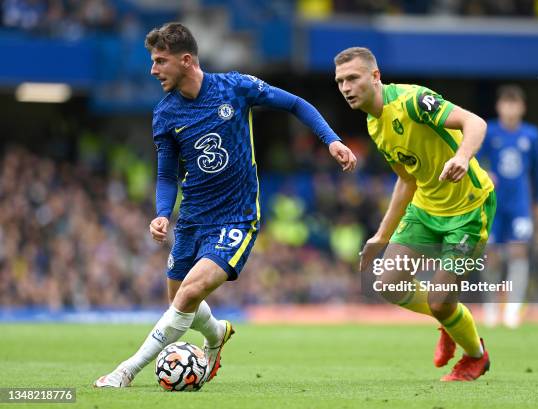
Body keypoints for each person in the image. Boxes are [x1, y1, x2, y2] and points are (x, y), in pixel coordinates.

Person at [94, 22, 356, 388]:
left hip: (236, 216)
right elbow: (168, 175)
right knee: (181, 301)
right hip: (191, 221)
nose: (153, 70)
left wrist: (331, 140)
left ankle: (126, 371)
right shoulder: (165, 114)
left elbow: (295, 103)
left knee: (186, 295)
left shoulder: (236, 87)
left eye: (160, 61)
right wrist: (161, 213)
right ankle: (216, 335)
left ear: (186, 60)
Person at [334, 47, 495, 381]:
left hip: (469, 209)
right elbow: (407, 180)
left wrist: (463, 157)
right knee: (388, 284)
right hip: (426, 208)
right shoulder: (374, 125)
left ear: (375, 76)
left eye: (353, 78)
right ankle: (449, 322)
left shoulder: (412, 101)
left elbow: (474, 122)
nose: (346, 87)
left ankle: (476, 357)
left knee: (440, 301)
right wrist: (382, 236)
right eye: (339, 81)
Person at [478, 85, 538, 328]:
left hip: (519, 204)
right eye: (506, 103)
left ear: (522, 107)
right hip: (494, 203)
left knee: (518, 251)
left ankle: (513, 310)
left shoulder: (531, 135)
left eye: (514, 104)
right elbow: (475, 160)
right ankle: (491, 307)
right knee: (492, 256)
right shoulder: (490, 131)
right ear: (499, 107)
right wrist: (484, 172)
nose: (510, 108)